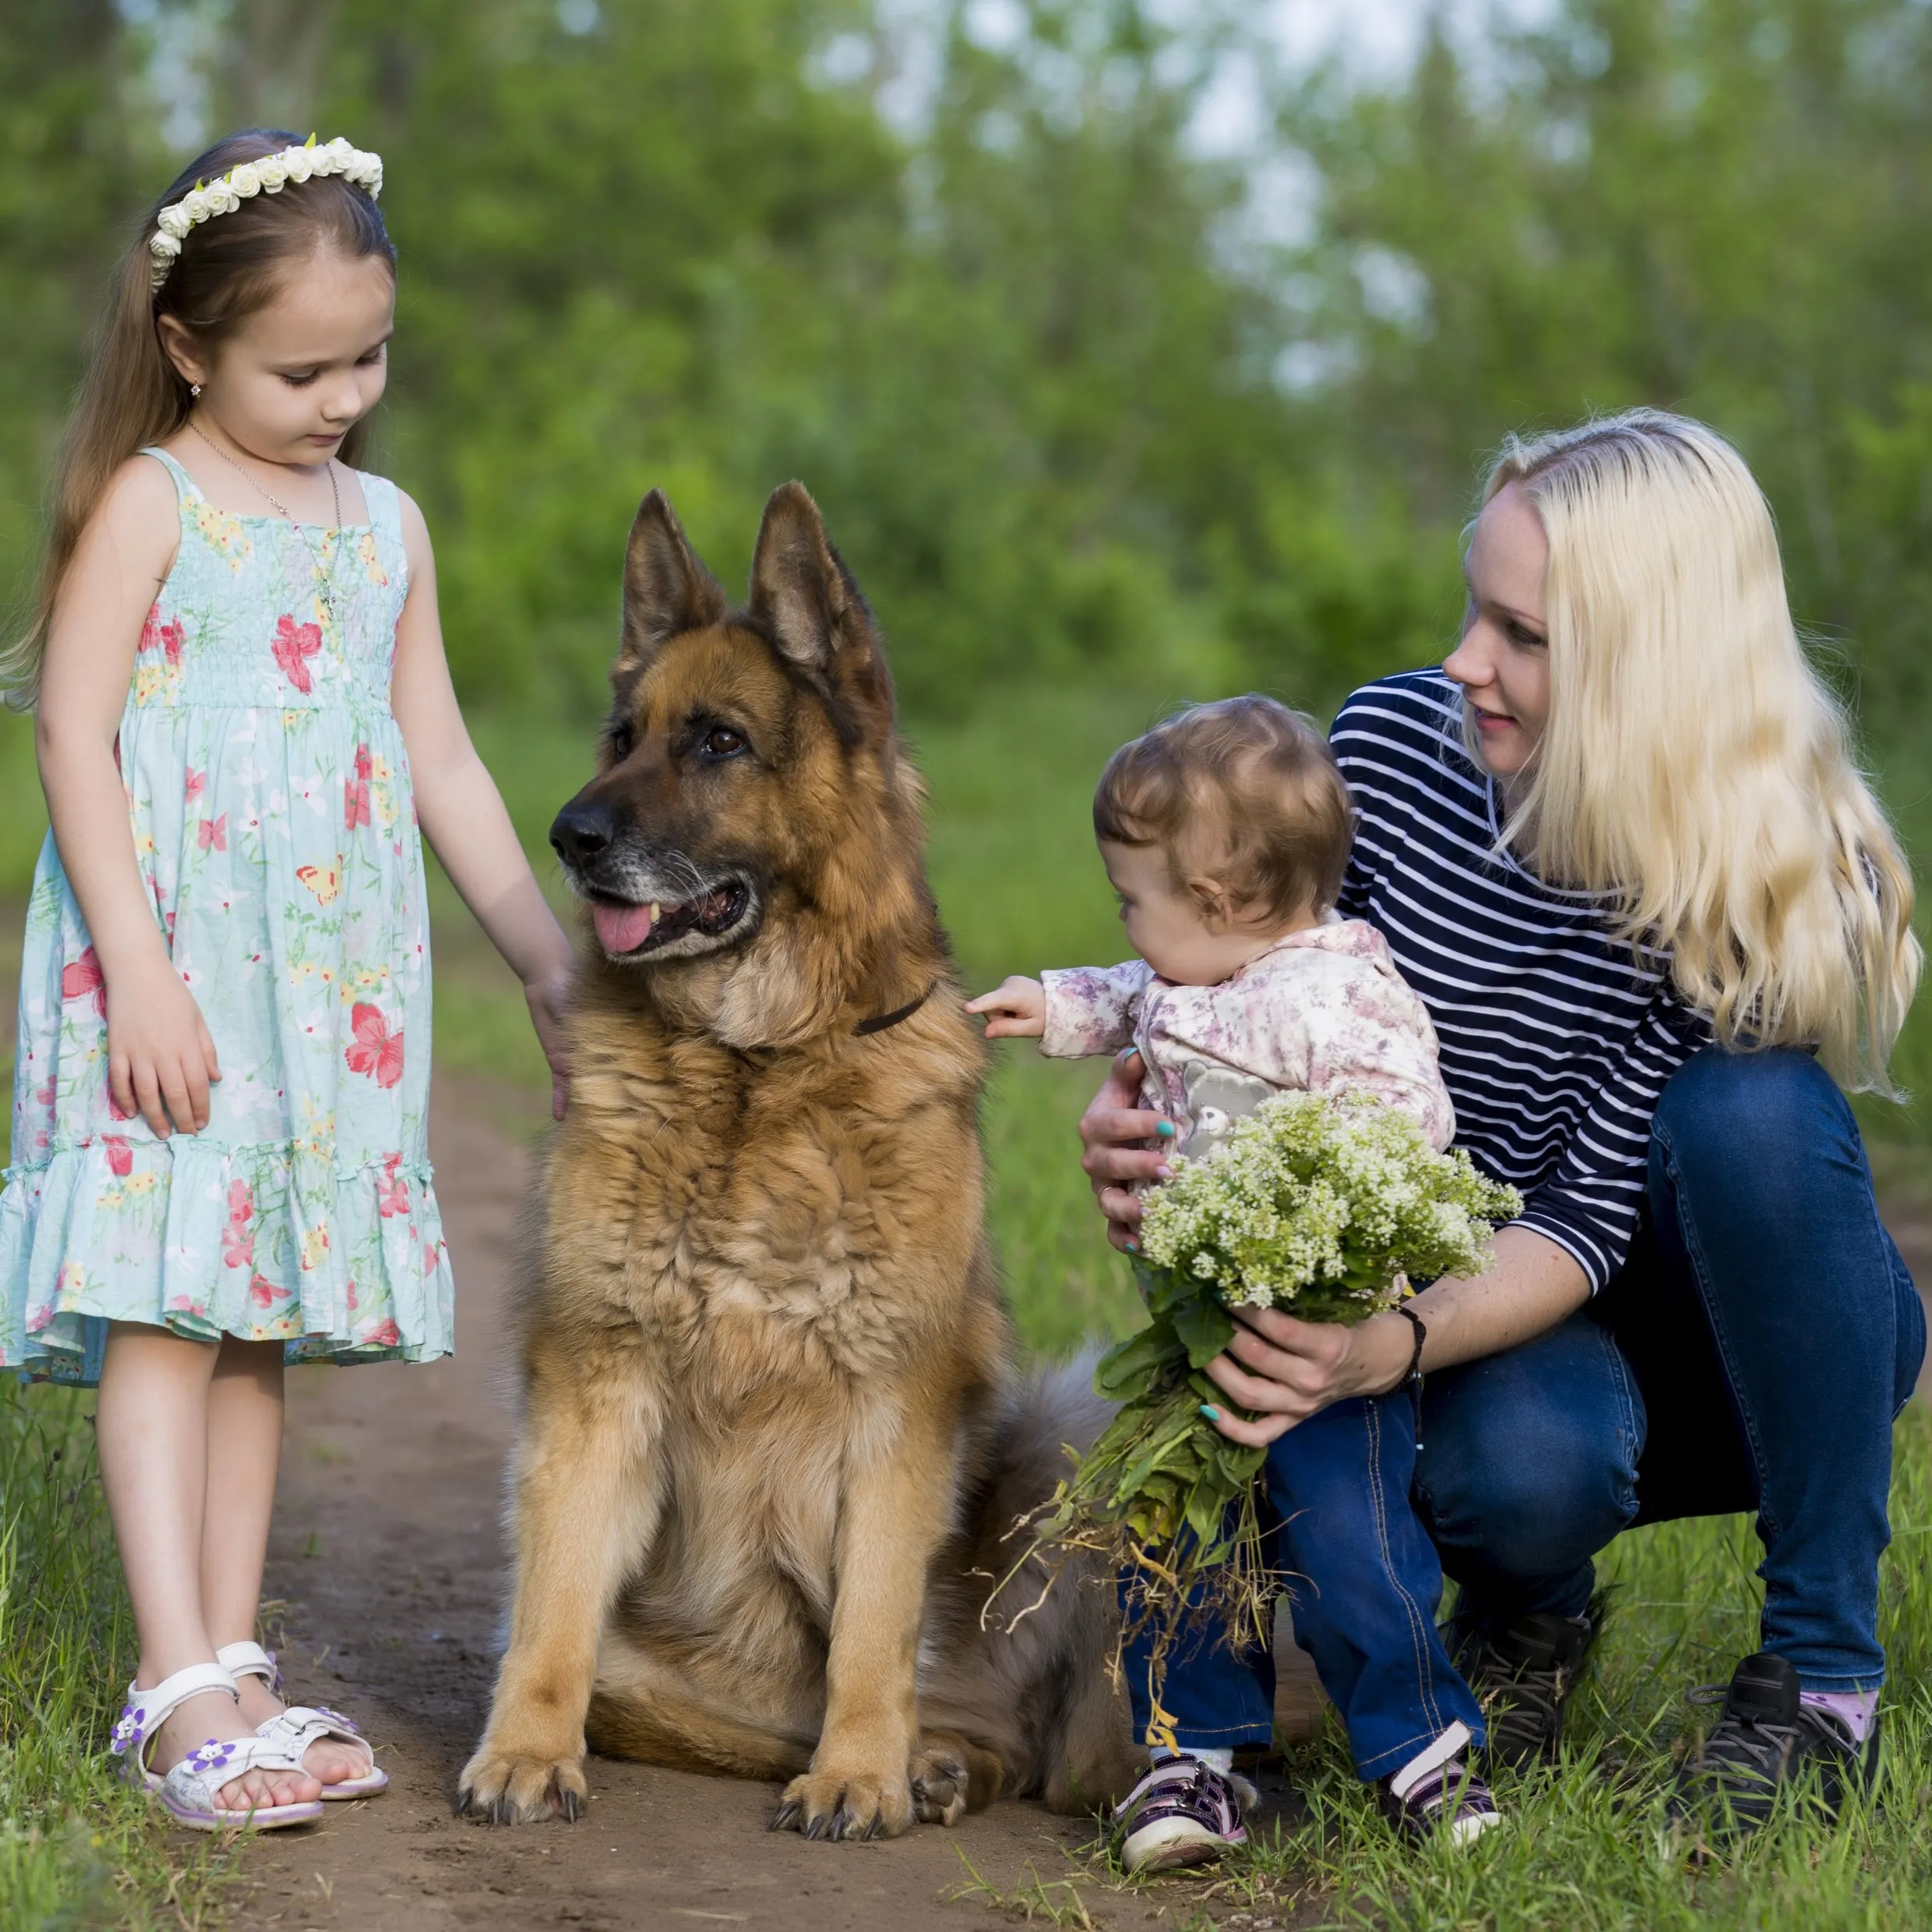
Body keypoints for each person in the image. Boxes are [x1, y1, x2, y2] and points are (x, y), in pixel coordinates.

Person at [1075, 407, 1923, 1843]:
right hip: (1500, 1299)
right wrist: (1165, 1102)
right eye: (1477, 606)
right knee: (1511, 1474)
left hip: (1731, 1330)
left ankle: (1821, 1672)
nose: (1465, 657)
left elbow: (1590, 1218)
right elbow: (1288, 999)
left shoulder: (1752, 868)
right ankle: (1525, 1617)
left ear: (1646, 670)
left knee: (1754, 1114)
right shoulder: (1393, 751)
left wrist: (1382, 1350)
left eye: (1519, 633)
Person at [0, 130, 575, 1831]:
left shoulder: (383, 523)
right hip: (168, 971)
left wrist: (545, 960)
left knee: (249, 1318)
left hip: (315, 993)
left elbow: (444, 759)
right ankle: (174, 1691)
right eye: (300, 367)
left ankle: (235, 1661)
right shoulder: (152, 503)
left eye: (368, 358)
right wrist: (140, 972)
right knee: (165, 1317)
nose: (344, 396)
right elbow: (76, 739)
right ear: (189, 347)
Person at [970, 696, 1503, 1864]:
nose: (1126, 922)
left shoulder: (1342, 997)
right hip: (1197, 1332)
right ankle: (1189, 1762)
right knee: (1177, 1538)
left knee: (1348, 1545)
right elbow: (1130, 987)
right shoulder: (1193, 971)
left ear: (1213, 902)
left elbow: (1410, 1118)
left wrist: (1317, 1190)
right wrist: (1048, 1003)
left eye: (1133, 899)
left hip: (1323, 1341)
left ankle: (1423, 1754)